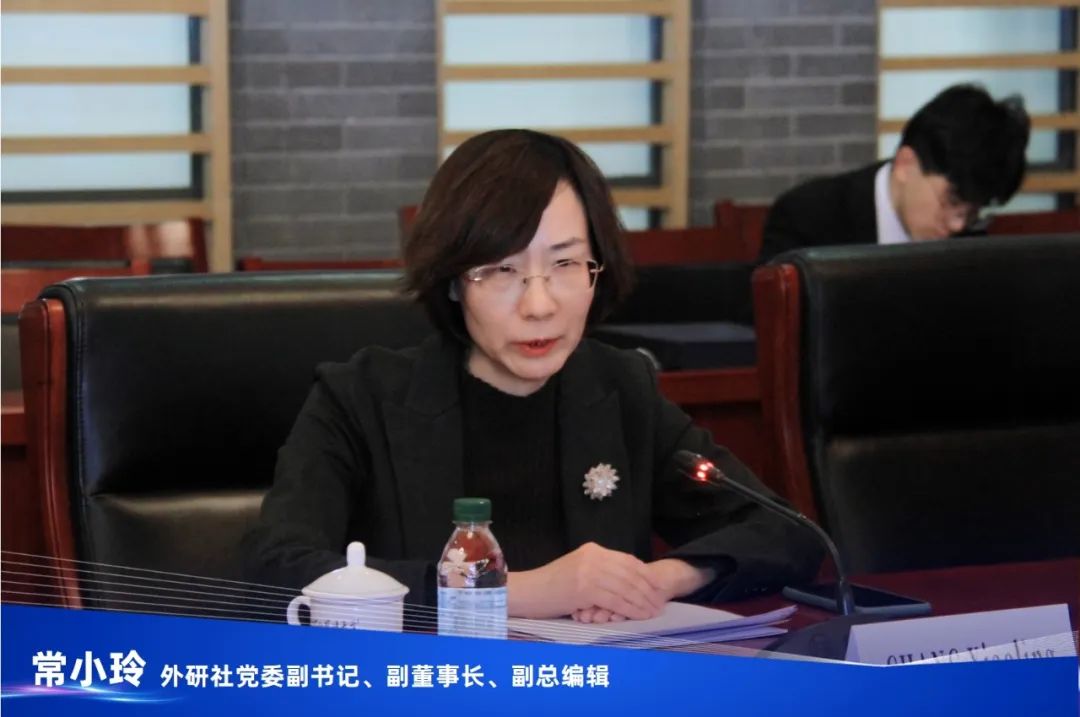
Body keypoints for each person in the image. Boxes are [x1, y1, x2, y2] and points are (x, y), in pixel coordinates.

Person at [243, 129, 823, 624]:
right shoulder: (361, 397)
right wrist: (514, 592)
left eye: (566, 263)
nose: (540, 305)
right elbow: (274, 568)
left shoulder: (620, 388)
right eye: (502, 270)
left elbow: (786, 533)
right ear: (453, 280)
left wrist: (659, 579)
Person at [760, 84, 1030, 262]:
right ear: (905, 164)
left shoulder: (972, 244)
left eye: (972, 213)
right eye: (951, 201)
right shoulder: (807, 219)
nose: (957, 226)